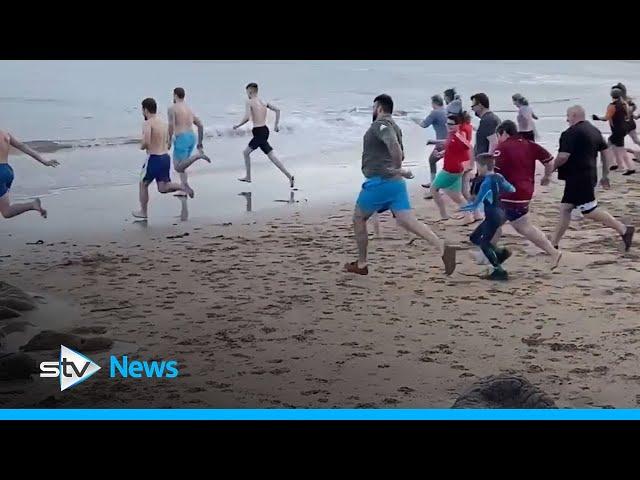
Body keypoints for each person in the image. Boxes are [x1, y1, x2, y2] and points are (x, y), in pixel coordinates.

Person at [344, 94, 457, 276]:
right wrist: (398, 170)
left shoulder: (380, 125)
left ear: (379, 108)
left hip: (379, 183)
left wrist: (394, 168)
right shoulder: (396, 127)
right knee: (408, 220)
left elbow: (395, 148)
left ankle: (362, 263)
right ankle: (443, 248)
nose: (373, 111)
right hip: (397, 184)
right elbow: (401, 153)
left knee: (359, 218)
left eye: (374, 107)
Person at [550, 105, 634, 252]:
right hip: (587, 176)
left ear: (575, 115)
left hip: (578, 179)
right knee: (565, 209)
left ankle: (623, 229)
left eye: (568, 116)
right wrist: (605, 175)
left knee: (589, 211)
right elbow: (606, 153)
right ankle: (553, 245)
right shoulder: (594, 130)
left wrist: (550, 169)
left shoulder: (570, 133)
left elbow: (563, 156)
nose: (566, 119)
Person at [492, 120, 563, 268]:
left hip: (509, 194)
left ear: (504, 132)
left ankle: (489, 256)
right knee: (504, 224)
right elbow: (549, 161)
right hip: (525, 191)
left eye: (499, 135)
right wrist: (546, 176)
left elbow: (494, 170)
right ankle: (490, 255)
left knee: (519, 226)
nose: (498, 139)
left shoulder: (502, 148)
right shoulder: (529, 144)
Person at [459, 153, 515, 281]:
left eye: (478, 167)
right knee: (474, 237)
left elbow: (476, 204)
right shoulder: (499, 177)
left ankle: (499, 270)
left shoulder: (486, 182)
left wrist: (462, 209)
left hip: (492, 215)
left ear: (483, 166)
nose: (478, 170)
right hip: (500, 212)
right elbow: (511, 189)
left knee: (484, 244)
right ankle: (500, 253)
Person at [132, 98, 188, 219]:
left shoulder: (148, 123)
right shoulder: (163, 123)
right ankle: (182, 187)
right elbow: (168, 141)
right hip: (165, 157)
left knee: (143, 184)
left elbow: (146, 142)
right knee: (163, 187)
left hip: (154, 158)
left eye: (143, 110)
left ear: (145, 110)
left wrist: (141, 146)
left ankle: (143, 212)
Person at [233, 83, 294, 188]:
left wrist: (238, 125)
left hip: (258, 132)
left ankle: (248, 177)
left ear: (250, 91)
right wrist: (276, 125)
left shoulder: (249, 102)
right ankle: (289, 176)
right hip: (265, 131)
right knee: (272, 156)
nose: (247, 94)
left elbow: (247, 117)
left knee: (245, 152)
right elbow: (278, 110)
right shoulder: (263, 102)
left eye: (247, 92)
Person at [0, 130, 58, 219]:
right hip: (7, 171)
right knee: (6, 211)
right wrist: (44, 161)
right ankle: (32, 205)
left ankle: (32, 205)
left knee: (6, 211)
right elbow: (22, 146)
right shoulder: (4, 134)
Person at [428, 113, 474, 224]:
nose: (449, 126)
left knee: (434, 189)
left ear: (458, 125)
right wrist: (441, 154)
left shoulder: (458, 135)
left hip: (452, 169)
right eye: (448, 123)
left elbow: (469, 147)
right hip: (453, 168)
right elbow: (451, 149)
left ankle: (444, 216)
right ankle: (468, 217)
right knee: (457, 196)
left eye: (452, 124)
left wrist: (471, 164)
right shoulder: (451, 135)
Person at [167, 87, 210, 198]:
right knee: (183, 165)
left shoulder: (172, 108)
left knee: (178, 167)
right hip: (191, 137)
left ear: (175, 95)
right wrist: (200, 143)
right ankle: (184, 188)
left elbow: (171, 126)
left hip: (182, 138)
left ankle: (198, 156)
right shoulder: (189, 109)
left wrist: (169, 141)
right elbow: (200, 125)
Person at [469, 93, 502, 218]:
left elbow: (494, 142)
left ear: (480, 105)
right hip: (485, 162)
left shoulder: (488, 120)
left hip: (485, 163)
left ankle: (485, 216)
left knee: (479, 190)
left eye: (473, 105)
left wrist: (487, 163)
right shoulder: (491, 118)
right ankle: (480, 214)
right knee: (477, 190)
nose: (472, 108)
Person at [592, 87, 635, 175]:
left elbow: (606, 118)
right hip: (623, 129)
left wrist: (596, 118)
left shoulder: (612, 106)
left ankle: (620, 166)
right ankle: (621, 166)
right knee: (617, 147)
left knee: (609, 147)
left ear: (612, 95)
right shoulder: (624, 104)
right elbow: (628, 115)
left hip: (617, 130)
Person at [411, 94, 448, 191]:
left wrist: (414, 119)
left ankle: (433, 184)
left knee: (432, 160)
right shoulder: (446, 111)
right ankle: (440, 183)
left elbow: (424, 124)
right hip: (450, 141)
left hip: (440, 143)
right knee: (447, 163)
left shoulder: (435, 113)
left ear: (434, 103)